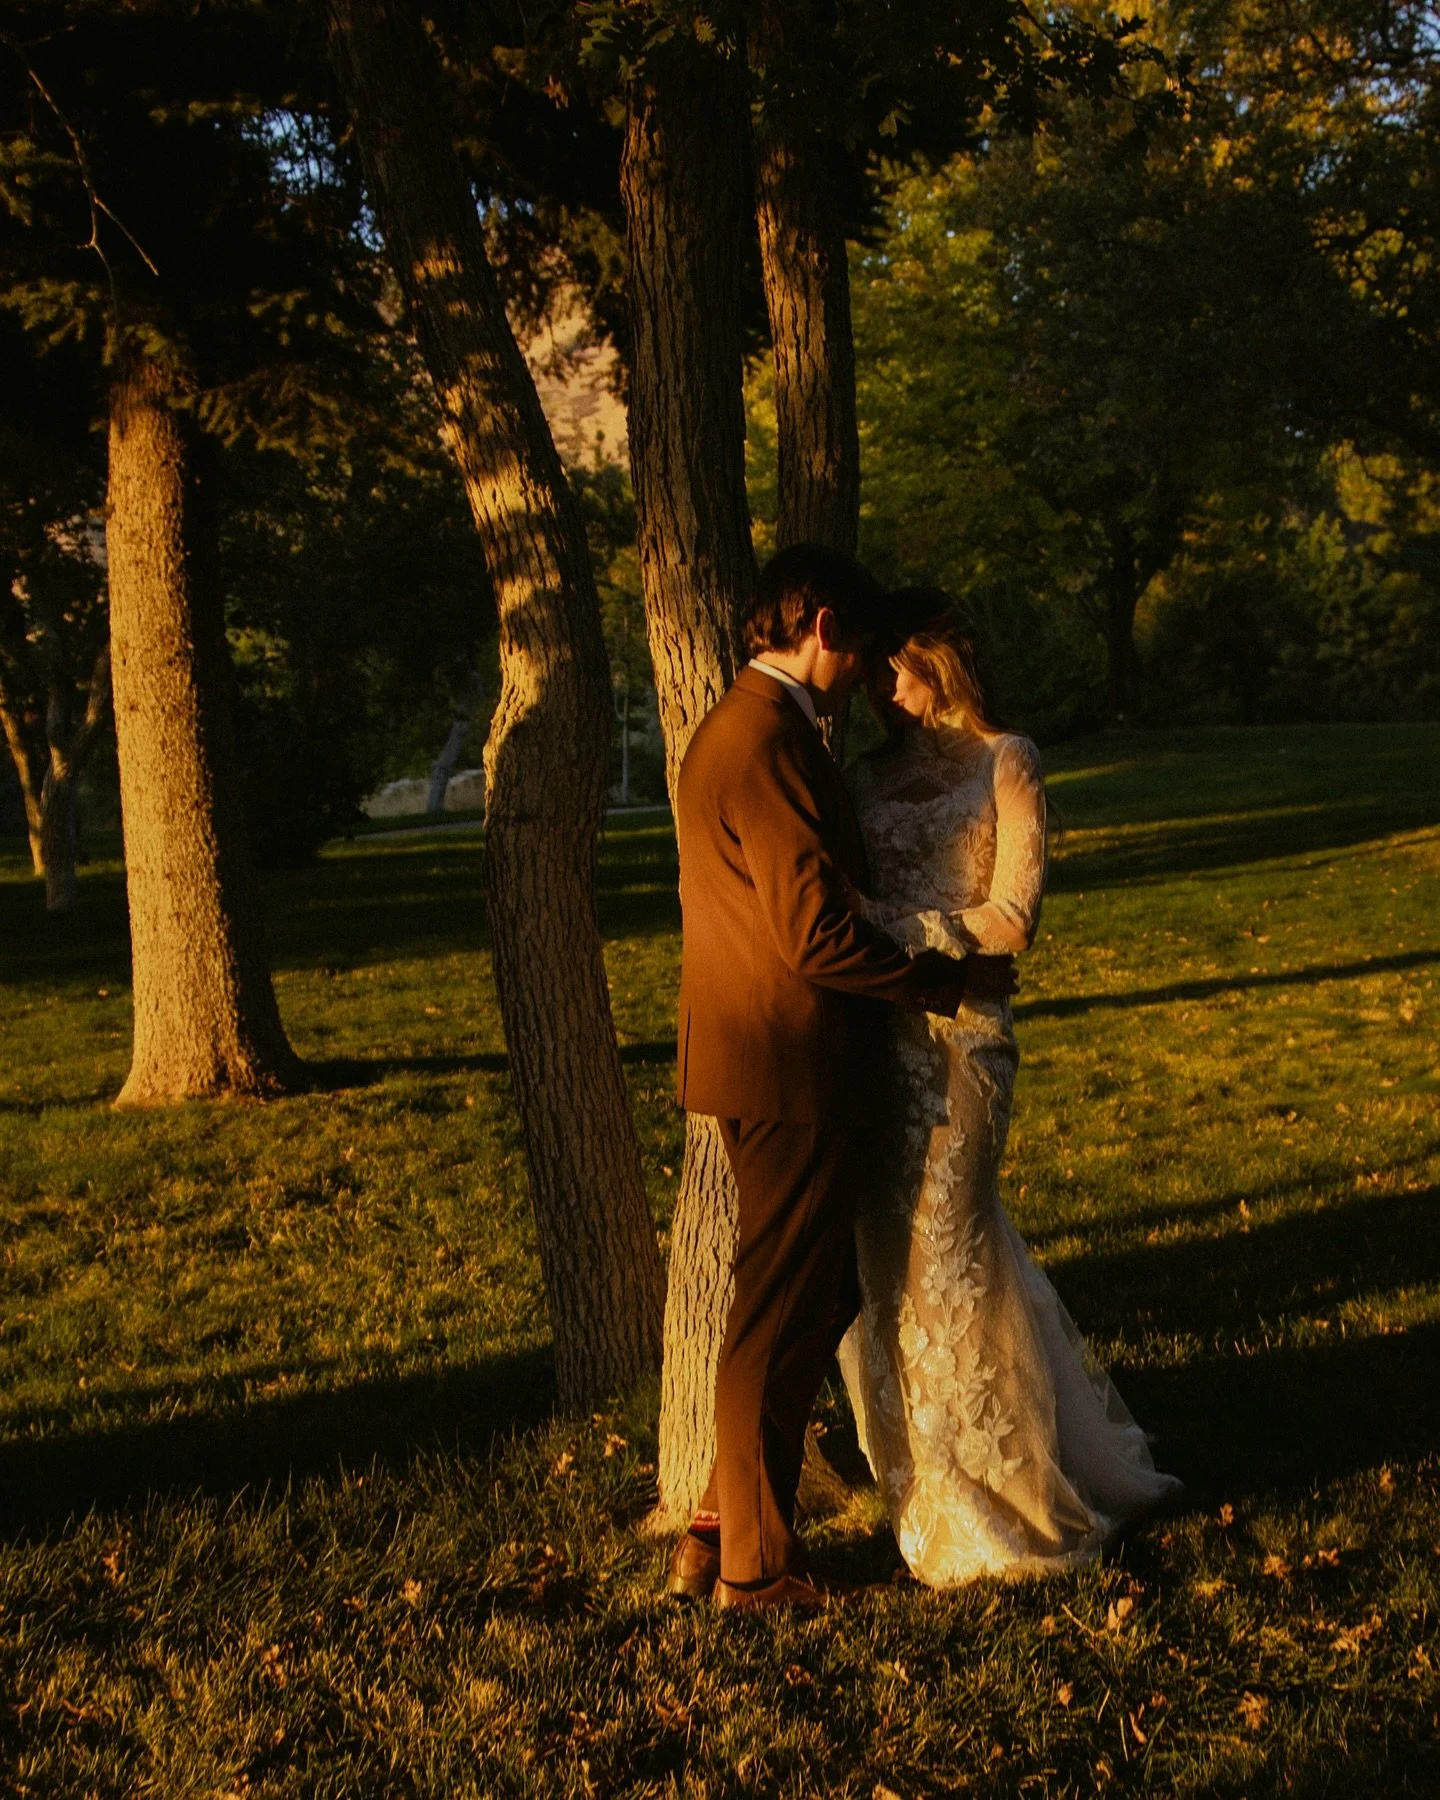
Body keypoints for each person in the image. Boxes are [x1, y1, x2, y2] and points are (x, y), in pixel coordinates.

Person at [667, 549, 1018, 1611]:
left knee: (812, 1296)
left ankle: (725, 1521)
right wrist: (941, 982)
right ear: (821, 624)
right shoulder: (767, 741)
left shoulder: (745, 725)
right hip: (790, 1059)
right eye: (857, 643)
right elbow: (815, 937)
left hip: (765, 1054)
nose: (862, 667)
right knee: (776, 1313)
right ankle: (754, 1571)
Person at [837, 591, 1181, 1586]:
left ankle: (999, 1495)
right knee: (879, 1260)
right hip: (870, 1037)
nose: (881, 689)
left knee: (950, 1244)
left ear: (942, 659)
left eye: (895, 667)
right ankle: (918, 1479)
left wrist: (885, 930)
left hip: (960, 1038)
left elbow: (1014, 917)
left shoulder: (1006, 760)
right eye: (869, 674)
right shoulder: (861, 776)